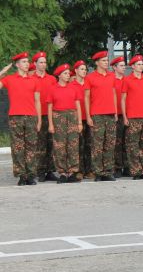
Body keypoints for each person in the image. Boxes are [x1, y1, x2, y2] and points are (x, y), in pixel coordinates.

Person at [0, 53, 41, 185]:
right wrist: (3, 72)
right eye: (23, 62)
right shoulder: (9, 79)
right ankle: (21, 175)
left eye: (27, 62)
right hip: (16, 116)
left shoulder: (34, 80)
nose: (27, 64)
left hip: (31, 116)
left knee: (31, 146)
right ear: (17, 64)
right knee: (18, 147)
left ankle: (30, 175)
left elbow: (37, 101)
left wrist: (39, 119)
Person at [84, 50, 118, 182]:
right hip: (97, 114)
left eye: (107, 60)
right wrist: (88, 116)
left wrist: (115, 111)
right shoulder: (90, 77)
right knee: (97, 145)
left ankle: (108, 171)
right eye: (103, 60)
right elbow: (86, 98)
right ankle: (98, 172)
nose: (106, 62)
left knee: (110, 144)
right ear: (97, 62)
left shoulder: (111, 76)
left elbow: (114, 94)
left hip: (110, 114)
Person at [47, 64, 82, 184]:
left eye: (68, 73)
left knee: (73, 145)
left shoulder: (73, 88)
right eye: (66, 73)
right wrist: (51, 124)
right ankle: (62, 173)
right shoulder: (52, 88)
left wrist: (79, 123)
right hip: (58, 117)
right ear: (59, 75)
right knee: (59, 146)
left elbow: (77, 106)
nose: (68, 76)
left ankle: (72, 172)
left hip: (72, 117)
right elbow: (50, 108)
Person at [121, 55, 143, 180]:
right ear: (133, 66)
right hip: (133, 117)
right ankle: (135, 171)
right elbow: (123, 100)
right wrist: (125, 116)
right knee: (132, 146)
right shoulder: (127, 80)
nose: (141, 66)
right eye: (138, 64)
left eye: (142, 64)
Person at [32, 51, 58, 182]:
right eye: (41, 62)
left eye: (45, 62)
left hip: (51, 115)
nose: (43, 64)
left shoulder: (52, 79)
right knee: (39, 144)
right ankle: (40, 170)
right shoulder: (31, 78)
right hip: (37, 114)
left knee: (51, 143)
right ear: (35, 64)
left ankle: (50, 170)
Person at [70, 60, 93, 179]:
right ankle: (78, 170)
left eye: (85, 69)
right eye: (81, 69)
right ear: (76, 71)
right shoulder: (71, 85)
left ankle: (88, 170)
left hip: (89, 117)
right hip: (76, 119)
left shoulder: (89, 83)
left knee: (89, 145)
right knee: (78, 145)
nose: (84, 71)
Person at [111, 56, 129, 177]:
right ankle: (117, 167)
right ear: (114, 67)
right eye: (121, 66)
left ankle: (127, 166)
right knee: (117, 142)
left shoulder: (127, 80)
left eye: (124, 65)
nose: (124, 68)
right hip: (115, 114)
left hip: (127, 114)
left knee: (127, 141)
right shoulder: (110, 79)